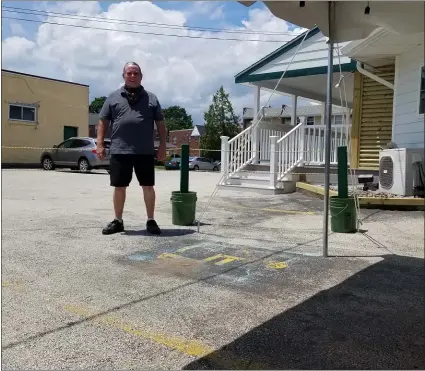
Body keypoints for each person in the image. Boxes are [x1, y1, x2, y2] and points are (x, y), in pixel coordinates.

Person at [96, 61, 167, 235]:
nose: (132, 76)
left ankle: (151, 220)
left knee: (148, 186)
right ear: (124, 76)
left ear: (141, 77)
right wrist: (99, 144)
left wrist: (163, 146)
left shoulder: (151, 98)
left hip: (144, 151)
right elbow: (102, 121)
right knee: (119, 187)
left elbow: (161, 124)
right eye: (129, 73)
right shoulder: (113, 97)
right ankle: (118, 221)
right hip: (120, 150)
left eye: (136, 73)